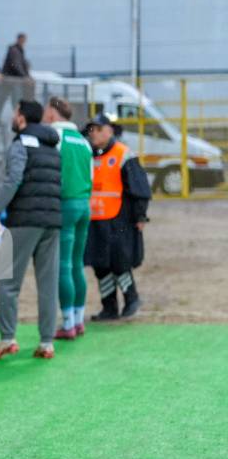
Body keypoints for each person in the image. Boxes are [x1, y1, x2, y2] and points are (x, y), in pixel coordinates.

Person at [0, 100, 62, 360]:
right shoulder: (52, 147)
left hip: (23, 220)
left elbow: (14, 179)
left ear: (22, 118)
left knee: (7, 281)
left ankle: (7, 338)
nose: (13, 117)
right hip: (52, 221)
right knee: (48, 283)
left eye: (15, 112)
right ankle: (47, 342)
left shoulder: (20, 145)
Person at [84, 114, 150, 320]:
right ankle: (109, 307)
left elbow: (139, 188)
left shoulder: (124, 155)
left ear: (110, 131)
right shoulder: (89, 154)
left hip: (119, 218)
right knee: (100, 264)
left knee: (120, 262)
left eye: (98, 129)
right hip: (95, 218)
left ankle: (131, 298)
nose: (94, 133)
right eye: (91, 129)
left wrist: (140, 216)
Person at [44, 97, 93, 338]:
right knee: (77, 264)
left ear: (53, 113)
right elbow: (90, 176)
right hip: (85, 204)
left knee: (62, 264)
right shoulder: (84, 142)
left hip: (64, 205)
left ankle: (67, 324)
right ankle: (79, 319)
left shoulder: (55, 137)